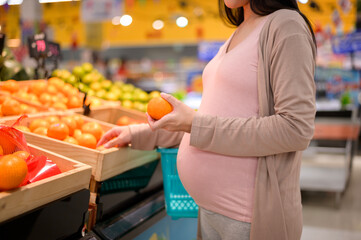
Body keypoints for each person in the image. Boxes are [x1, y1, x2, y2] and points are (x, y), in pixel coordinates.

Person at [97, 0, 316, 239]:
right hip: (210, 210)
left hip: (248, 217)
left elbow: (295, 128)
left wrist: (194, 123)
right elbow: (209, 122)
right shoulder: (240, 30)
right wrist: (138, 134)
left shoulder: (286, 25)